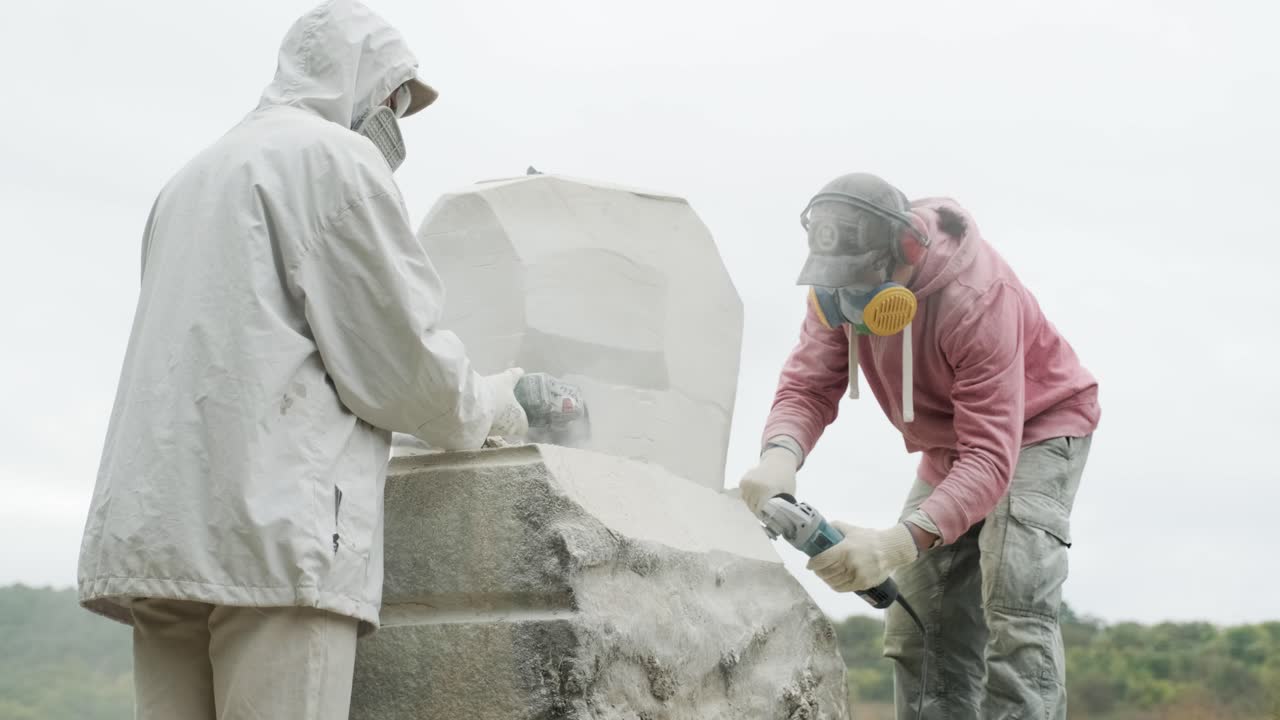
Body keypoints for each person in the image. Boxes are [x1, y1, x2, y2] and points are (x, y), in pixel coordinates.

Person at [76, 2, 528, 718]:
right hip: (273, 539)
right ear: (367, 85)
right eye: (396, 101)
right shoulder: (334, 162)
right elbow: (399, 366)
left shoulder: (193, 175)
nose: (393, 122)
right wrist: (504, 399)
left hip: (160, 537)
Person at [739, 173, 1100, 719]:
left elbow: (990, 456)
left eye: (863, 282)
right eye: (840, 285)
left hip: (1038, 429)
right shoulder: (834, 296)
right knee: (918, 629)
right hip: (954, 447)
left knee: (1013, 606)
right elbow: (807, 386)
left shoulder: (976, 299)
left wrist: (894, 545)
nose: (852, 301)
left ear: (907, 251)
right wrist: (779, 456)